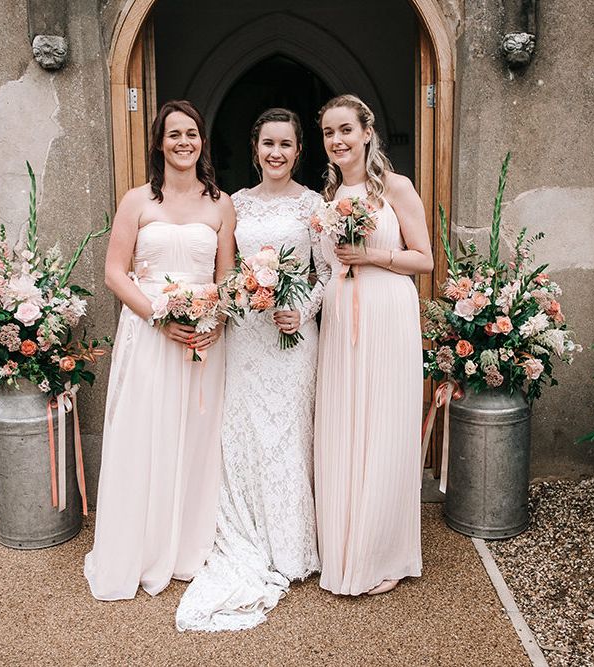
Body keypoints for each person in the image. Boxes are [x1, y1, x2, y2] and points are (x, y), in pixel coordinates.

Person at [176, 108, 328, 631]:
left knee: (287, 437)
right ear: (255, 146)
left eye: (286, 144)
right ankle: (248, 536)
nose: (276, 153)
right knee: (244, 434)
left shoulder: (314, 204)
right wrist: (227, 304)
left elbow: (328, 271)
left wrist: (303, 309)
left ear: (299, 150)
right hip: (245, 340)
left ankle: (290, 546)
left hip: (292, 337)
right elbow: (227, 272)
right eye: (268, 143)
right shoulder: (235, 204)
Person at [84, 100, 236, 600]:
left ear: (202, 142)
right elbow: (113, 272)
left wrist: (212, 320)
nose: (184, 142)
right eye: (174, 135)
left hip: (200, 342)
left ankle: (187, 544)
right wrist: (159, 315)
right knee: (144, 433)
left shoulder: (221, 204)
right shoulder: (136, 201)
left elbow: (226, 280)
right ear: (159, 143)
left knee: (195, 436)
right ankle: (143, 545)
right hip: (149, 334)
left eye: (192, 133)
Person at [314, 94, 433, 596]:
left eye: (345, 130)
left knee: (384, 422)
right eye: (328, 133)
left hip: (387, 312)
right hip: (341, 318)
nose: (337, 141)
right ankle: (343, 546)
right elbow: (326, 267)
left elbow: (424, 260)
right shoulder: (327, 200)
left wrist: (372, 255)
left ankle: (381, 550)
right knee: (343, 421)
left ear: (367, 132)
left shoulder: (397, 189)